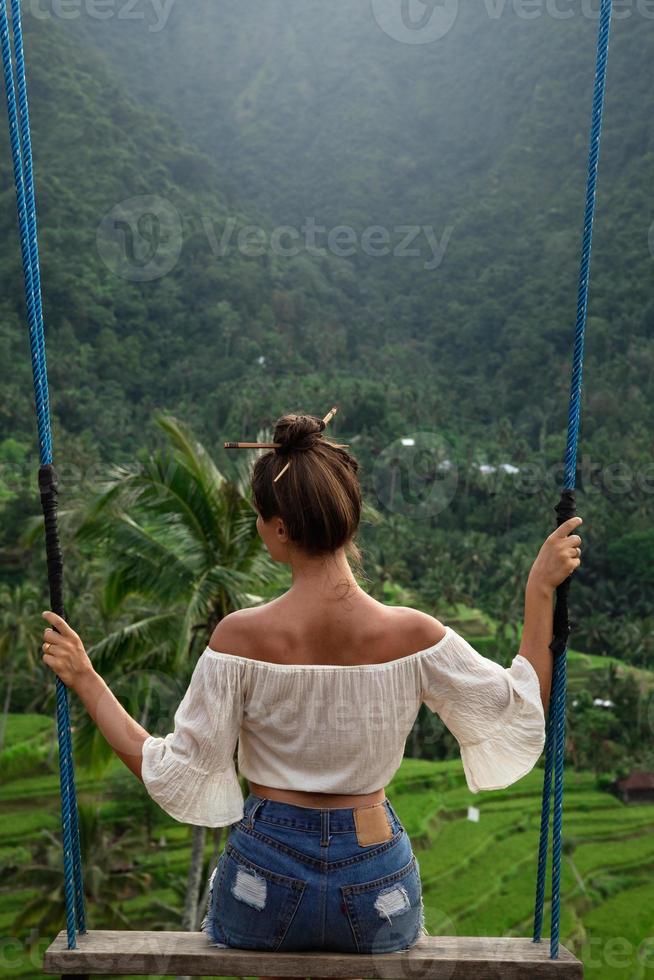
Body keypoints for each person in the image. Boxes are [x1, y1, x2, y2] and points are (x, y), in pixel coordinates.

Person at [41, 410, 583, 971]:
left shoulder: (240, 638)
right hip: (377, 879)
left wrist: (84, 677)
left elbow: (175, 769)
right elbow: (518, 708)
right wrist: (539, 589)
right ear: (348, 518)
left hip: (264, 875)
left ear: (278, 529)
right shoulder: (416, 636)